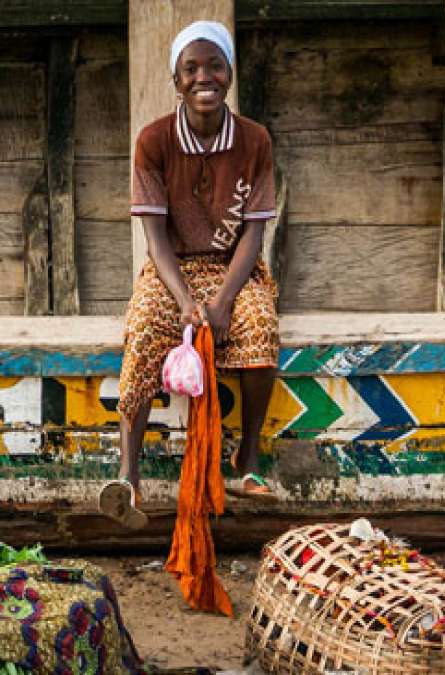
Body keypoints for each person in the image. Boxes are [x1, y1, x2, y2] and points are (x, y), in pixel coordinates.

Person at [99, 21, 280, 529]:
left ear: (229, 74)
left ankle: (247, 460)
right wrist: (183, 299)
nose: (205, 77)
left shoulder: (254, 140)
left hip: (233, 269)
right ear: (176, 81)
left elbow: (253, 235)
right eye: (191, 69)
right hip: (170, 269)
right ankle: (129, 476)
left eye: (215, 66)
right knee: (142, 330)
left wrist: (222, 302)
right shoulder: (154, 140)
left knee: (260, 324)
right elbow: (154, 238)